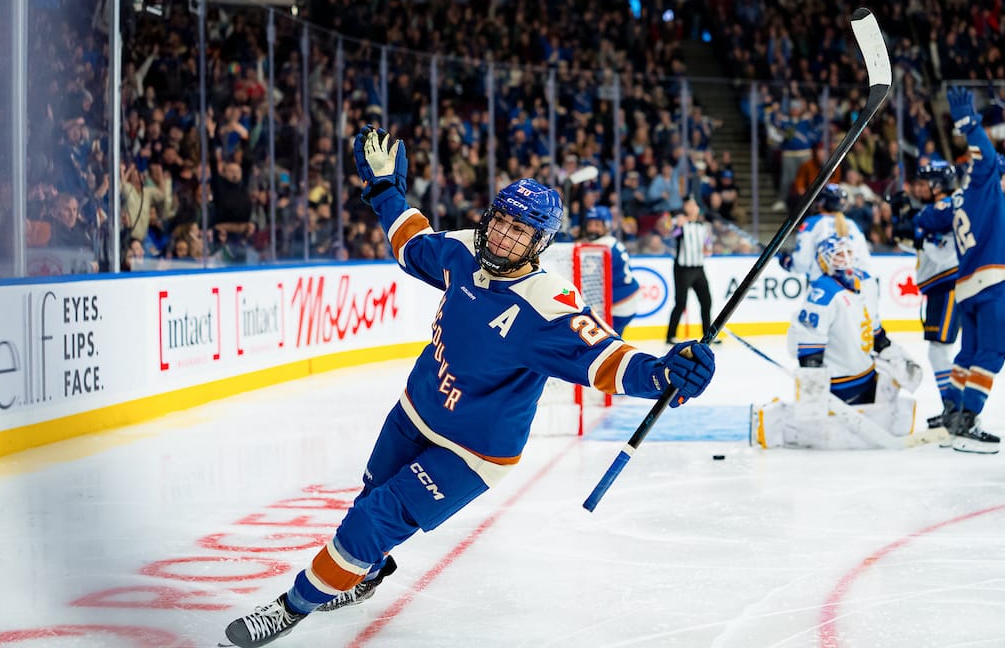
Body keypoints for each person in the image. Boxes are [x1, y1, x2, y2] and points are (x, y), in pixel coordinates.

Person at [220, 128, 717, 648]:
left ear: (539, 244)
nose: (502, 236)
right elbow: (412, 245)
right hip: (415, 413)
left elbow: (608, 358)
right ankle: (362, 576)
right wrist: (385, 190)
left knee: (373, 520)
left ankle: (291, 607)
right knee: (369, 500)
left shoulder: (548, 304)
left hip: (473, 452)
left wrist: (664, 375)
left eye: (518, 231)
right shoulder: (464, 252)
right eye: (499, 220)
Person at [915, 86, 1005, 454]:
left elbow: (926, 217)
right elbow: (987, 160)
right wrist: (968, 124)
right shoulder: (986, 185)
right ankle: (969, 420)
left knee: (966, 355)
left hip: (967, 288)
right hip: (994, 281)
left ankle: (955, 415)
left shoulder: (956, 201)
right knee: (992, 354)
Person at [751, 234, 921, 449]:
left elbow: (873, 327)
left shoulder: (867, 281)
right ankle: (777, 423)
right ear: (824, 261)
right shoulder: (823, 291)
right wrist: (813, 380)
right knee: (824, 429)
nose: (845, 259)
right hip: (839, 384)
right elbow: (810, 341)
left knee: (895, 375)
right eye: (838, 255)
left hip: (868, 376)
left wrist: (888, 349)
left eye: (848, 253)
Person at [902, 161, 963, 431]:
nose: (918, 187)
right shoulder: (937, 210)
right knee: (939, 351)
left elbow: (943, 253)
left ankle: (956, 409)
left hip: (948, 286)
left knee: (939, 351)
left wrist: (918, 234)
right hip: (941, 287)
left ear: (938, 186)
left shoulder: (945, 208)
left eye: (924, 183)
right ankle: (954, 408)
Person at [780, 184, 873, 281]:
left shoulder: (812, 223)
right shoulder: (852, 225)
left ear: (822, 202)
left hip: (823, 285)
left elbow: (802, 263)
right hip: (853, 285)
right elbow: (865, 264)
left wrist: (789, 262)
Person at [582, 205, 641, 336]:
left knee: (605, 343)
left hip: (619, 303)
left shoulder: (599, 246)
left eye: (597, 225)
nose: (592, 228)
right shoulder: (611, 241)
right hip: (628, 297)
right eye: (590, 224)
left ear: (607, 226)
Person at [665, 197, 713, 344]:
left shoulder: (703, 226)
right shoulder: (679, 222)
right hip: (683, 269)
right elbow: (671, 235)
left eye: (695, 204)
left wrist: (708, 246)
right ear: (685, 206)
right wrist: (678, 225)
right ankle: (670, 335)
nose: (693, 207)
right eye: (689, 204)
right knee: (681, 302)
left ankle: (708, 335)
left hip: (698, 268)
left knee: (706, 302)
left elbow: (708, 244)